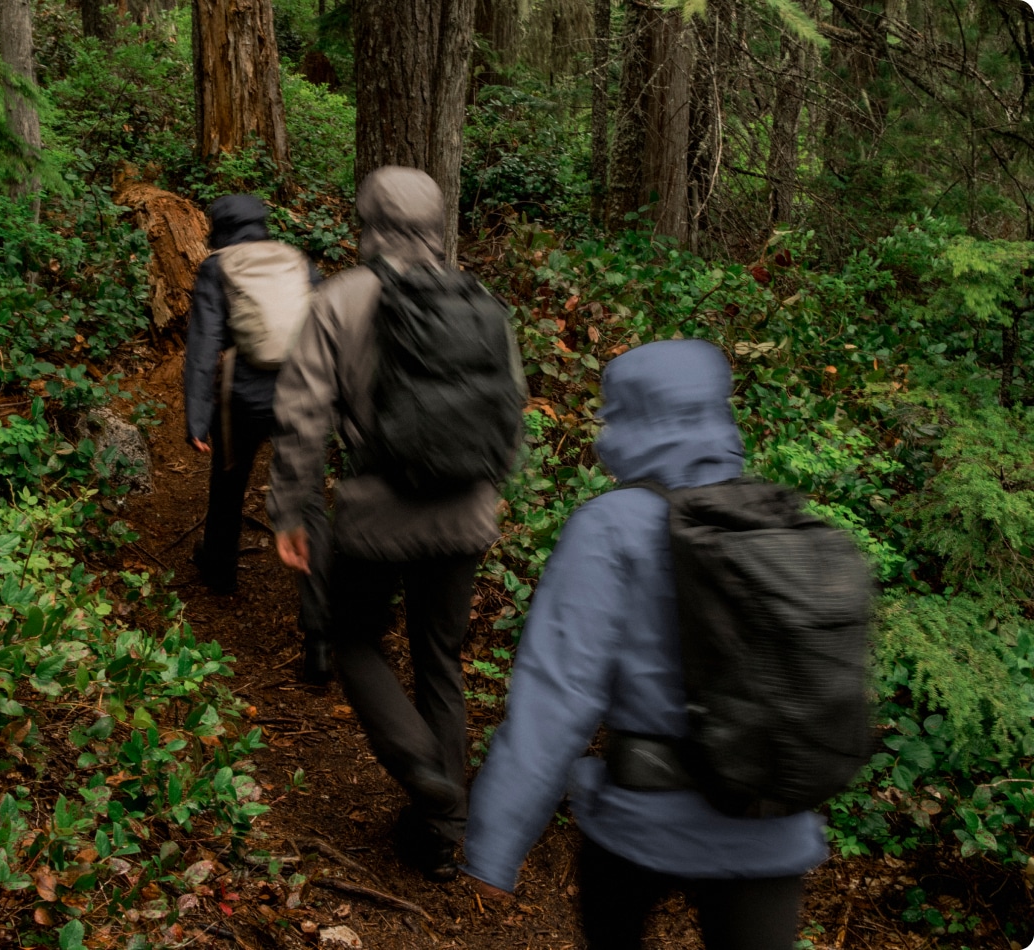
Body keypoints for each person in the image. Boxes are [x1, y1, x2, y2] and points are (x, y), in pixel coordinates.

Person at [461, 340, 827, 949]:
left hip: (647, 823)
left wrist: (494, 844)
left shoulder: (611, 525)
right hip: (774, 830)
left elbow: (558, 699)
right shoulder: (780, 519)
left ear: (633, 418)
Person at [267, 166, 523, 882]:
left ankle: (421, 771)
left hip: (378, 511)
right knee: (439, 661)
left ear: (369, 222)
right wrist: (491, 492)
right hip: (466, 513)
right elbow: (511, 405)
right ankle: (441, 832)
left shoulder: (342, 298)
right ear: (437, 224)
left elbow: (301, 412)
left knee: (353, 638)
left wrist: (291, 507)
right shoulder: (481, 302)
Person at [184, 194, 332, 684]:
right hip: (303, 393)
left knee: (229, 477)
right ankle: (320, 639)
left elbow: (204, 347)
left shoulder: (217, 267)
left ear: (217, 229)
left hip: (244, 396)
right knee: (308, 502)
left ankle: (220, 569)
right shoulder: (294, 259)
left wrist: (197, 417)